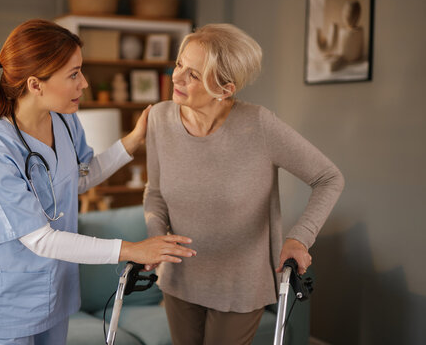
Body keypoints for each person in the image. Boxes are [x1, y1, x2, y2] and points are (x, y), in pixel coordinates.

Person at [0, 19, 196, 345]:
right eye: (73, 74)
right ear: (35, 84)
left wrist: (133, 141)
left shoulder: (65, 121)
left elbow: (80, 178)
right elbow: (39, 239)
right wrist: (131, 249)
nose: (84, 83)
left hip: (54, 288)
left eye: (80, 71)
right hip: (6, 298)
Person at [143, 23, 345, 345]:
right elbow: (154, 192)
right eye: (180, 64)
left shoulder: (259, 125)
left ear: (224, 89)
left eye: (193, 75)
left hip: (239, 284)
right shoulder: (158, 119)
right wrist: (156, 237)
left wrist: (299, 238)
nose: (176, 77)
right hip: (179, 278)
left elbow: (329, 178)